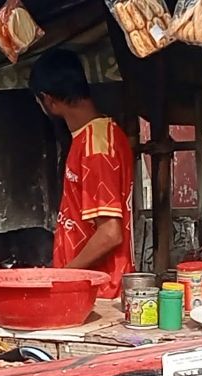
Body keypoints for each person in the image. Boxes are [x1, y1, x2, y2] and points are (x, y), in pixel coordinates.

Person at [29, 48, 134, 299]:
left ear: (48, 100)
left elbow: (110, 233)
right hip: (87, 287)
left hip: (99, 292)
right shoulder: (93, 137)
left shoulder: (95, 146)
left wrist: (62, 277)